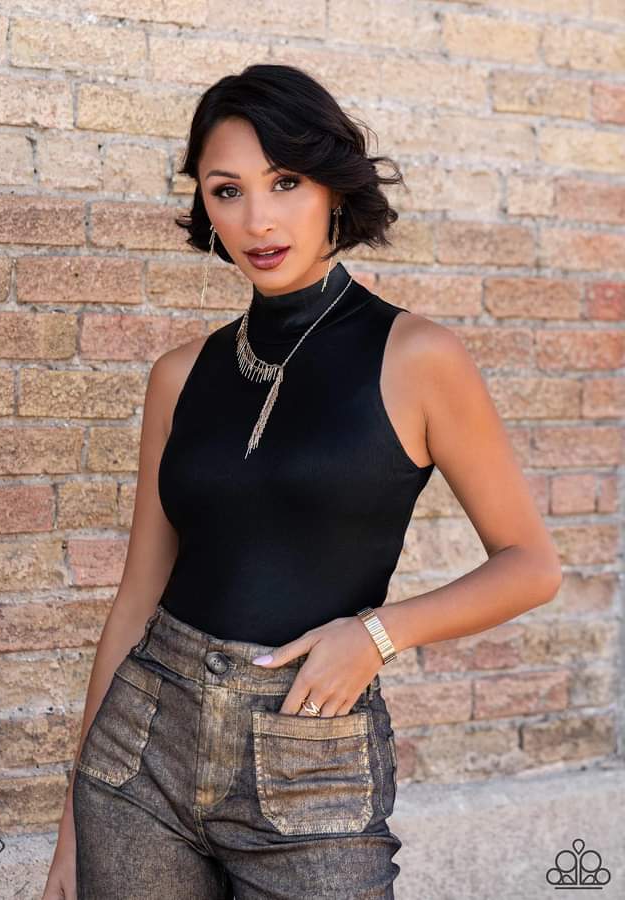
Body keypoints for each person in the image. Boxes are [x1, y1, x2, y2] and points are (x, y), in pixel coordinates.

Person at [42, 64, 562, 900]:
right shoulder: (178, 375)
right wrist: (73, 821)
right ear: (205, 207)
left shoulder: (419, 358)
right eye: (227, 190)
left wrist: (377, 636)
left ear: (332, 186)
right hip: (139, 757)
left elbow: (530, 565)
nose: (258, 219)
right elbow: (137, 596)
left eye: (284, 181)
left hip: (308, 753)